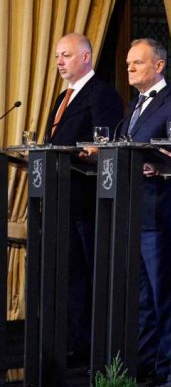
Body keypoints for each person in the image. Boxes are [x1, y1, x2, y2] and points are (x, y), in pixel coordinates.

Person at [117, 38, 171, 387]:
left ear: (159, 65)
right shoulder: (134, 107)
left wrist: (160, 165)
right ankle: (145, 364)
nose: (130, 68)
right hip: (134, 213)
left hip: (161, 217)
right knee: (142, 299)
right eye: (128, 63)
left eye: (137, 62)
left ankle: (169, 368)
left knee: (164, 295)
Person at [45, 32, 123, 364]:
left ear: (86, 57)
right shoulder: (63, 97)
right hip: (61, 198)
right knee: (69, 276)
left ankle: (95, 345)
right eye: (57, 56)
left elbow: (104, 147)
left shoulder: (102, 94)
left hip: (88, 200)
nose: (60, 62)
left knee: (90, 275)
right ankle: (74, 342)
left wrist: (86, 154)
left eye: (66, 55)